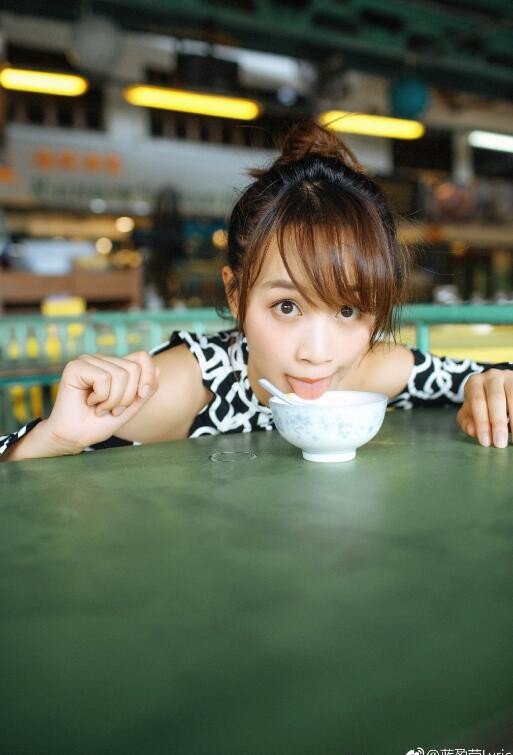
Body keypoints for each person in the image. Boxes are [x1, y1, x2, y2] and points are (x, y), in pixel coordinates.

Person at [1, 121, 512, 462]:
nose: (318, 353)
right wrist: (54, 438)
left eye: (348, 309)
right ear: (236, 295)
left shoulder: (374, 370)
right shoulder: (186, 388)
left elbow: (487, 380)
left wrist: (493, 384)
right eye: (286, 306)